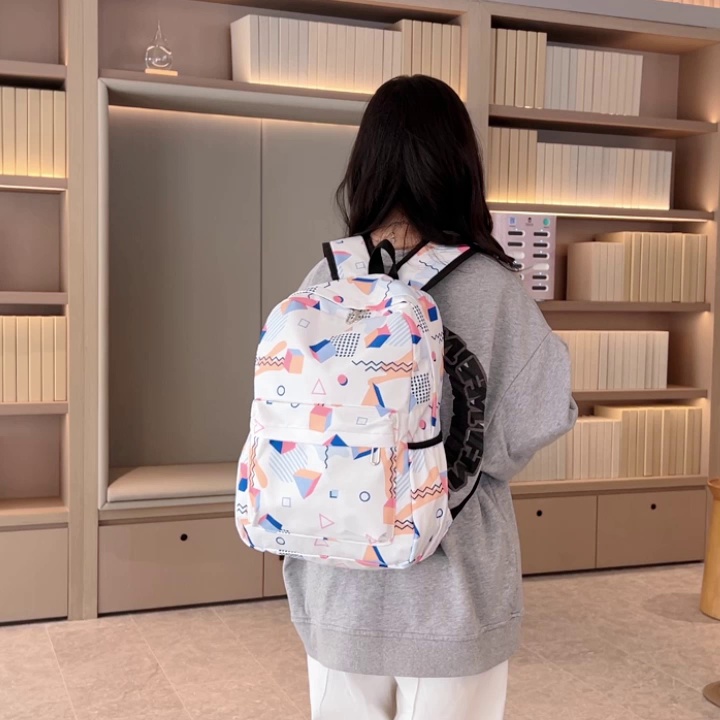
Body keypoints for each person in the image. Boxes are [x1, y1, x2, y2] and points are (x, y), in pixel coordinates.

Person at [283, 75, 577, 720]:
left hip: (337, 581)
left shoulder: (324, 280)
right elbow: (536, 418)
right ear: (461, 164)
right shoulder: (491, 287)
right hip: (451, 594)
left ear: (365, 164)